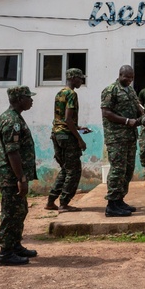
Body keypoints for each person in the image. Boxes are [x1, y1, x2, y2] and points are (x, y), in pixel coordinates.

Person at [0, 85, 38, 266]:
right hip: (11, 177)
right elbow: (13, 153)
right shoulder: (11, 121)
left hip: (13, 176)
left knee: (19, 211)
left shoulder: (14, 118)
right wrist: (21, 178)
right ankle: (5, 253)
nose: (31, 100)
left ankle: (15, 245)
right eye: (28, 97)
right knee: (11, 213)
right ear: (20, 100)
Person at [100, 64, 142, 217]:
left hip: (130, 137)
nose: (129, 80)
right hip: (116, 137)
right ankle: (111, 205)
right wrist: (126, 121)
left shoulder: (130, 89)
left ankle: (119, 200)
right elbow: (106, 112)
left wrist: (144, 114)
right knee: (117, 170)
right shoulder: (111, 90)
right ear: (120, 75)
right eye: (127, 77)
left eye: (131, 78)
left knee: (128, 170)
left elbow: (137, 105)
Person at [46, 68, 89, 212]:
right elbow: (68, 119)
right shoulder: (71, 94)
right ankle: (64, 203)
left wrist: (79, 128)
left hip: (57, 134)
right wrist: (80, 139)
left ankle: (51, 200)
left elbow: (62, 120)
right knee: (74, 171)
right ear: (73, 78)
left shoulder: (60, 93)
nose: (81, 81)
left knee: (65, 169)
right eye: (80, 78)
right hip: (67, 136)